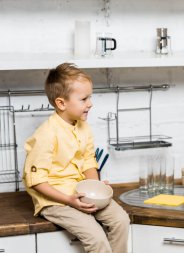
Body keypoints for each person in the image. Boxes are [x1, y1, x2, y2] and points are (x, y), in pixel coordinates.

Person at [23, 63, 130, 253]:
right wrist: (69, 200)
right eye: (84, 99)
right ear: (61, 103)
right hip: (56, 202)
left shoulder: (82, 126)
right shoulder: (46, 134)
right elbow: (36, 182)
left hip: (81, 192)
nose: (90, 103)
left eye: (90, 97)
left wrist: (96, 187)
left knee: (122, 220)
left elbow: (88, 160)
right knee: (97, 238)